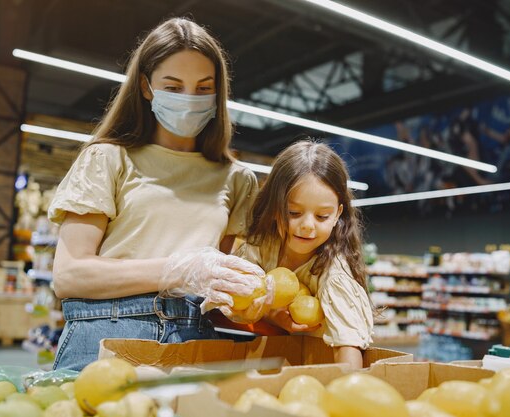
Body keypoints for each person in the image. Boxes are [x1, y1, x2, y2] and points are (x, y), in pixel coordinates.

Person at [47, 17, 264, 371]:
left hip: (195, 337)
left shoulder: (237, 179)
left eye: (203, 88)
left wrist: (255, 299)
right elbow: (69, 275)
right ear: (147, 87)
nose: (190, 99)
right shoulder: (108, 158)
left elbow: (220, 285)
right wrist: (177, 270)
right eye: (174, 87)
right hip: (108, 333)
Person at [232, 140, 375, 369]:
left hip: (316, 370)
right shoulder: (259, 248)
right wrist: (274, 314)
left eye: (322, 216)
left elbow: (349, 348)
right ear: (275, 207)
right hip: (264, 363)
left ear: (338, 213)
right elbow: (236, 303)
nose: (307, 225)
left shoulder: (334, 271)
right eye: (294, 212)